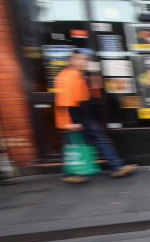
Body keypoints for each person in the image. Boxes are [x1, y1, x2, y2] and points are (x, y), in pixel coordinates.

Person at [54, 50, 136, 183]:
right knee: (91, 142)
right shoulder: (70, 77)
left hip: (81, 118)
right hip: (77, 119)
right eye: (80, 59)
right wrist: (74, 122)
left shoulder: (77, 75)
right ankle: (116, 166)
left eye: (85, 59)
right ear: (72, 61)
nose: (84, 62)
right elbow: (68, 102)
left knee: (78, 144)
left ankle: (71, 173)